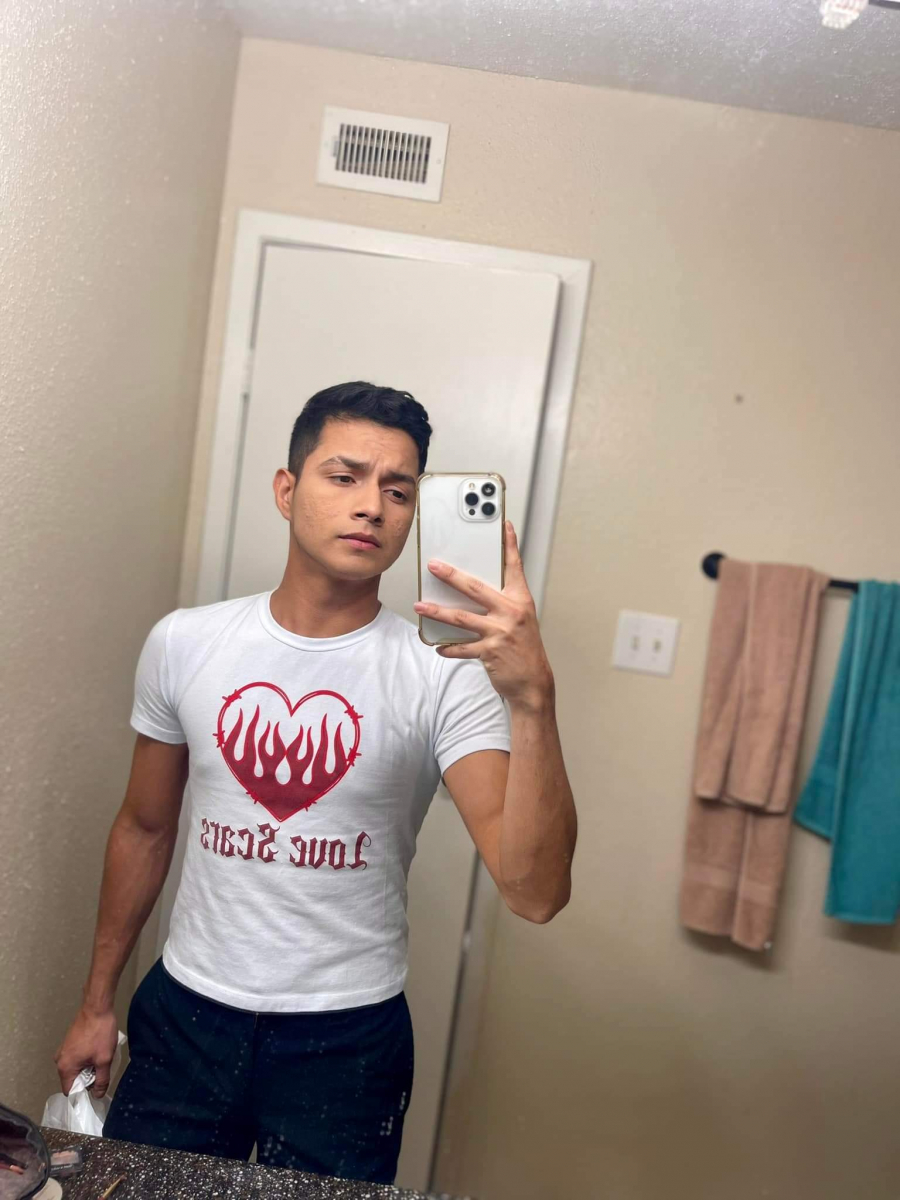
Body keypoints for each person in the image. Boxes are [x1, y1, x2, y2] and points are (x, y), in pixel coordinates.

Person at [54, 381, 577, 1184]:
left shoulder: (444, 674)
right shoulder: (184, 643)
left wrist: (533, 698)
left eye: (398, 490)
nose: (371, 505)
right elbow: (145, 827)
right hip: (186, 1014)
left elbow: (534, 891)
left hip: (346, 1042)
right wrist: (97, 1001)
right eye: (345, 476)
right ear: (286, 490)